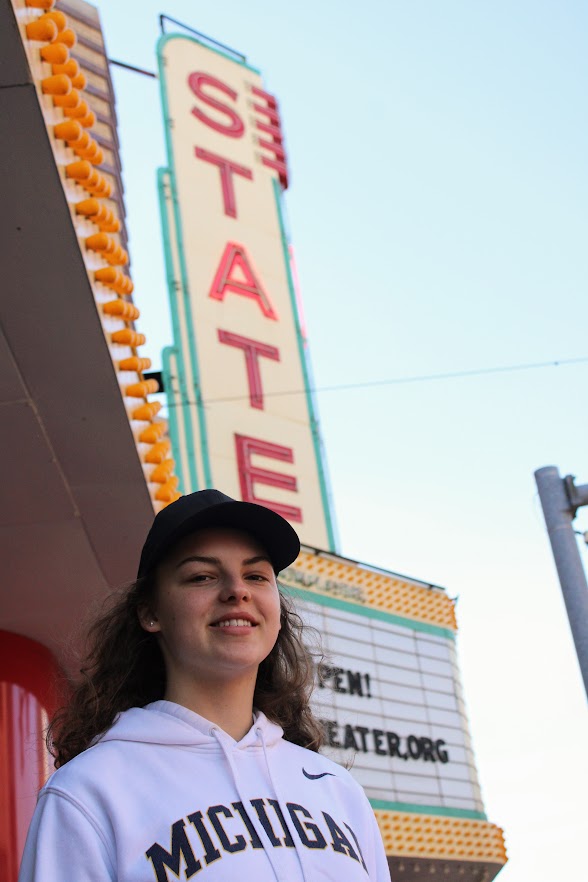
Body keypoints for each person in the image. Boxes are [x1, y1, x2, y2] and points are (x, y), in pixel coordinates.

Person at [18, 489, 391, 881]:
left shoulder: (338, 790)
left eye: (256, 575)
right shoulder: (89, 791)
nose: (237, 590)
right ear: (149, 612)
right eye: (202, 576)